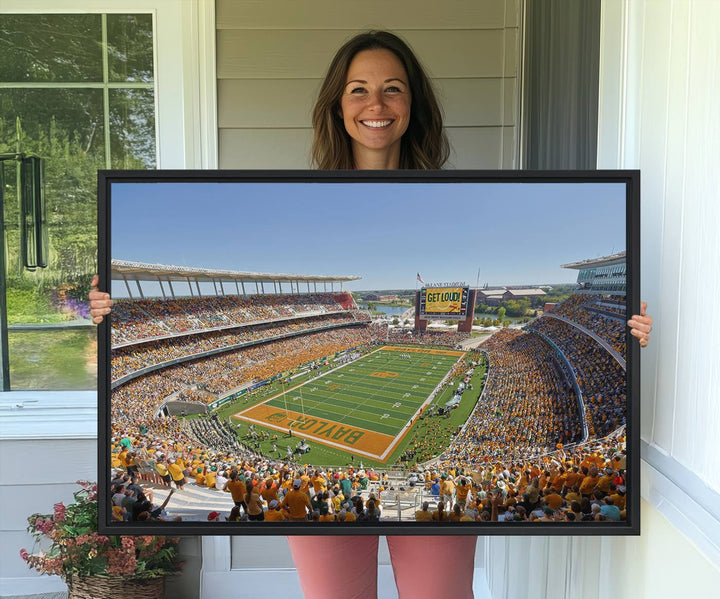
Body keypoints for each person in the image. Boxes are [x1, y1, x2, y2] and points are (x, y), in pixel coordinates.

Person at [90, 29, 653, 599]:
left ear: (414, 105)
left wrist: (628, 332)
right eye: (358, 89)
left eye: (393, 89)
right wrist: (109, 314)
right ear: (337, 104)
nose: (375, 105)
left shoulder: (458, 192)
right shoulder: (300, 197)